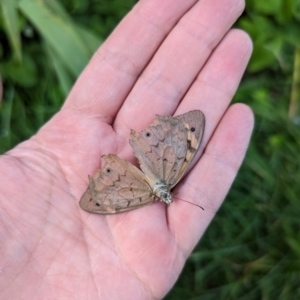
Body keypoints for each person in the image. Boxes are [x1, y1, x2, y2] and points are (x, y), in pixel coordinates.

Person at [0, 0, 253, 298]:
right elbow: (188, 137)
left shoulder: (149, 196)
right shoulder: (164, 185)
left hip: (147, 173)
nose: (166, 198)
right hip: (157, 165)